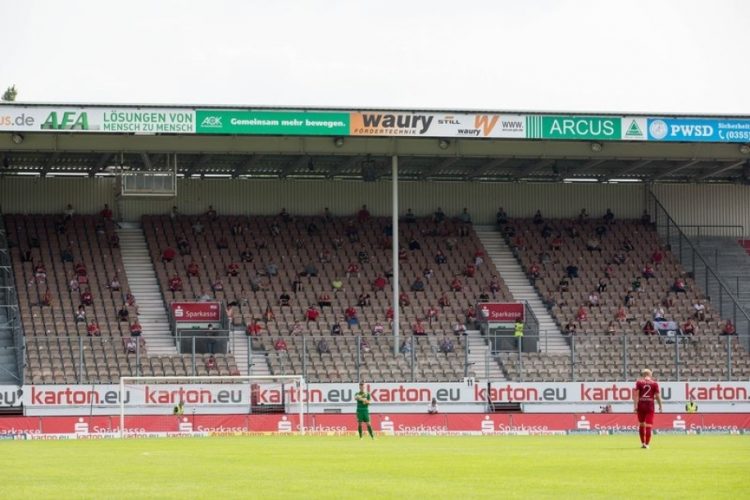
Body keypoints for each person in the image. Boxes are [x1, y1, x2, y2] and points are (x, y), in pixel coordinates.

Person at [634, 368, 663, 449]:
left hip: (641, 406)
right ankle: (647, 444)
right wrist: (660, 406)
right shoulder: (654, 383)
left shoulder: (639, 382)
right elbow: (657, 396)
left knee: (641, 425)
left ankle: (643, 443)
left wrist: (635, 406)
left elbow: (636, 395)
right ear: (650, 374)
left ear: (643, 375)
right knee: (649, 425)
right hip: (650, 406)